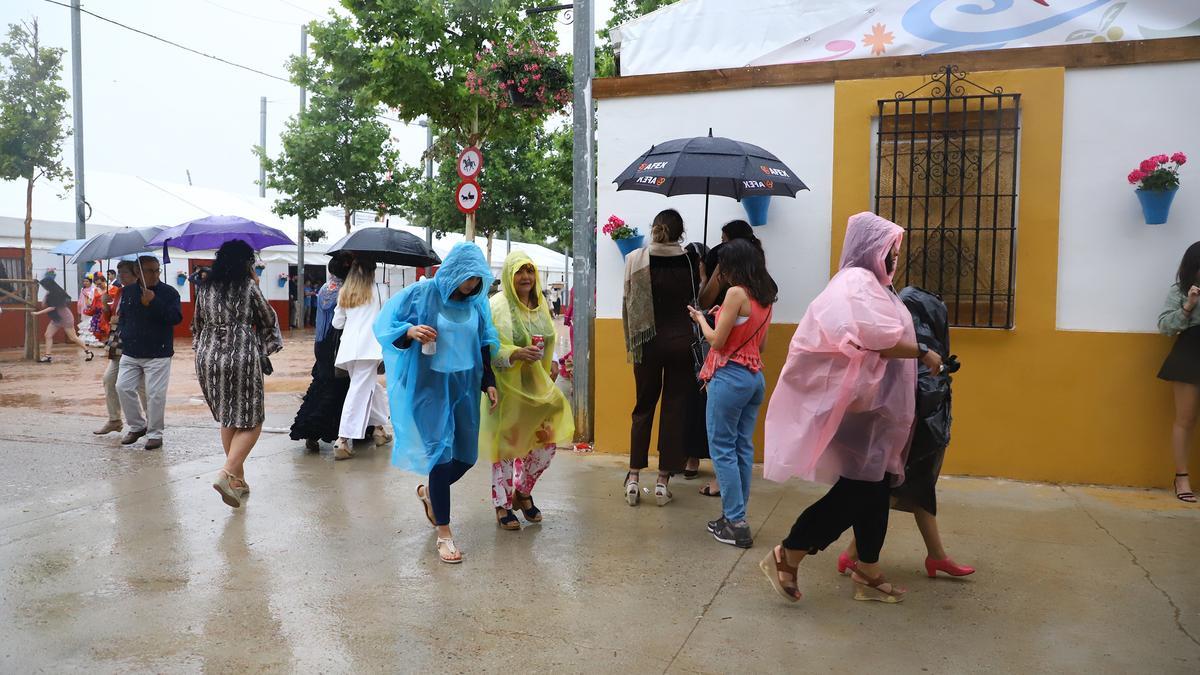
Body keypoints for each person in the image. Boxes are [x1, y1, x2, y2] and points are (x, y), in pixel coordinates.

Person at [759, 212, 943, 604]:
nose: (895, 258)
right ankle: (789, 553)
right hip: (860, 411)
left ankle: (868, 571)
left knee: (875, 489)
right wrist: (923, 351)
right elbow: (872, 337)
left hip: (873, 410)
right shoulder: (855, 283)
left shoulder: (873, 285)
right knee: (858, 492)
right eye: (891, 250)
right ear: (873, 249)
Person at [374, 242, 499, 564]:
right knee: (441, 456)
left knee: (467, 457)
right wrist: (411, 331)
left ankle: (431, 492)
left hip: (465, 386)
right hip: (428, 387)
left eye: (477, 278)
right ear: (454, 270)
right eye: (467, 277)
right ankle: (444, 534)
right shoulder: (422, 293)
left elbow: (485, 341)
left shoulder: (476, 303)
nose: (471, 284)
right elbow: (387, 325)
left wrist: (489, 382)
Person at [837, 287, 975, 578]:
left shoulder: (909, 342)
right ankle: (852, 554)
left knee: (917, 489)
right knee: (894, 490)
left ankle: (936, 556)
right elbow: (916, 390)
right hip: (908, 435)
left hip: (914, 434)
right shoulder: (909, 346)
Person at [688, 239, 776, 548]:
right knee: (741, 447)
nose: (719, 271)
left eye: (722, 265)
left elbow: (716, 341)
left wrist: (700, 318)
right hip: (754, 378)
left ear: (732, 265)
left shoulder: (736, 293)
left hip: (729, 377)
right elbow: (760, 346)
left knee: (722, 448)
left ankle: (736, 522)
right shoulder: (765, 297)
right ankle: (733, 516)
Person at [480, 251, 574, 530]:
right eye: (519, 272)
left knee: (546, 443)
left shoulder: (539, 303)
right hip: (506, 388)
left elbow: (549, 337)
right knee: (506, 447)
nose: (525, 277)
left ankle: (522, 490)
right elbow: (490, 347)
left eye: (529, 271)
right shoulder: (497, 305)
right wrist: (517, 353)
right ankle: (502, 505)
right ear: (509, 276)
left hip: (536, 386)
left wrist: (554, 361)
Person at [196, 240, 283, 508]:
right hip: (241, 355)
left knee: (228, 416)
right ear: (246, 262)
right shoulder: (247, 287)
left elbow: (196, 324)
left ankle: (237, 481)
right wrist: (267, 347)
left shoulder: (205, 288)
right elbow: (268, 319)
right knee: (252, 419)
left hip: (208, 356)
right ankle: (226, 473)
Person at [116, 255, 183, 451]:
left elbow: (175, 318)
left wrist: (154, 302)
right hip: (131, 352)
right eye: (149, 271)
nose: (154, 274)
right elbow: (124, 317)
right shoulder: (127, 292)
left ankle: (155, 434)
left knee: (155, 395)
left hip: (158, 353)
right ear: (138, 273)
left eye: (157, 270)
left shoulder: (169, 293)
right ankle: (137, 426)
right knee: (122, 387)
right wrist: (124, 334)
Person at [290, 254, 354, 451]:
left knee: (321, 384)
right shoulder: (347, 291)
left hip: (320, 343)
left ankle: (310, 430)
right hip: (337, 344)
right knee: (339, 387)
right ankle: (326, 431)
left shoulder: (324, 289)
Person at [332, 255, 391, 459]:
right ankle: (343, 439)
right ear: (372, 271)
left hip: (348, 349)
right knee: (359, 390)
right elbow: (385, 319)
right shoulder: (380, 290)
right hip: (370, 348)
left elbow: (337, 323)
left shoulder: (345, 292)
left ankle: (379, 429)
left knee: (371, 387)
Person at [1158, 241, 1200, 503]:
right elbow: (1164, 326)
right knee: (1185, 419)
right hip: (1190, 353)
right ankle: (1181, 477)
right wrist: (1188, 306)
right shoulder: (1180, 291)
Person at [94, 261, 147, 436]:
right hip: (119, 342)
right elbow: (111, 317)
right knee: (109, 380)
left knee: (141, 386)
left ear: (135, 274)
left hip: (137, 343)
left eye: (124, 272)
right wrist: (106, 306)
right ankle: (115, 420)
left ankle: (152, 423)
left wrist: (122, 318)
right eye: (119, 273)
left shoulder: (143, 291)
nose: (120, 276)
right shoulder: (120, 293)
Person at [682, 242, 717, 496]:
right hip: (683, 352)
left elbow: (704, 306)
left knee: (702, 408)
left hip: (705, 356)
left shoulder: (712, 285)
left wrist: (704, 278)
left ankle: (696, 456)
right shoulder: (682, 282)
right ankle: (683, 454)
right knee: (684, 406)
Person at [699, 220, 763, 308]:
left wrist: (703, 279)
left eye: (723, 241)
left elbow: (704, 303)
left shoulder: (727, 264)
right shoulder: (757, 261)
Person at [34, 276, 93, 363]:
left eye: (44, 286)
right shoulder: (50, 293)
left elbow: (52, 307)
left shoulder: (57, 293)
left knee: (73, 338)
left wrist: (38, 313)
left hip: (65, 318)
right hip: (56, 318)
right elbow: (43, 304)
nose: (44, 287)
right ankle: (48, 356)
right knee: (48, 335)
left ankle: (88, 352)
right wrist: (46, 294)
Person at [76, 275, 98, 345]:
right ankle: (84, 339)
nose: (85, 283)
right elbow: (80, 299)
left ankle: (91, 340)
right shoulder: (82, 289)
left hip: (90, 308)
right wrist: (79, 308)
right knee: (84, 323)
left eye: (87, 281)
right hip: (83, 308)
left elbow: (93, 300)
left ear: (91, 282)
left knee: (89, 323)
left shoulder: (93, 289)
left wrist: (88, 298)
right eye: (84, 281)